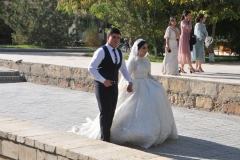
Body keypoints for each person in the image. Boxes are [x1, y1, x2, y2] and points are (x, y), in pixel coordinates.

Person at [71, 39, 178, 149]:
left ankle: (152, 131)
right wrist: (128, 84)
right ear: (137, 49)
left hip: (147, 84)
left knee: (151, 105)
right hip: (136, 86)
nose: (145, 50)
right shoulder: (133, 61)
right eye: (143, 48)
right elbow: (126, 73)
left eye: (146, 48)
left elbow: (149, 74)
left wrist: (156, 82)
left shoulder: (147, 61)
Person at [87, 28, 133, 142]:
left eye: (118, 38)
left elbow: (123, 69)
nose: (116, 40)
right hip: (102, 86)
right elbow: (91, 68)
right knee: (105, 112)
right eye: (114, 37)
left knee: (111, 112)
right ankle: (105, 139)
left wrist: (129, 81)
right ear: (108, 37)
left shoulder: (119, 52)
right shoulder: (101, 51)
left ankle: (107, 135)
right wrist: (103, 80)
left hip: (114, 86)